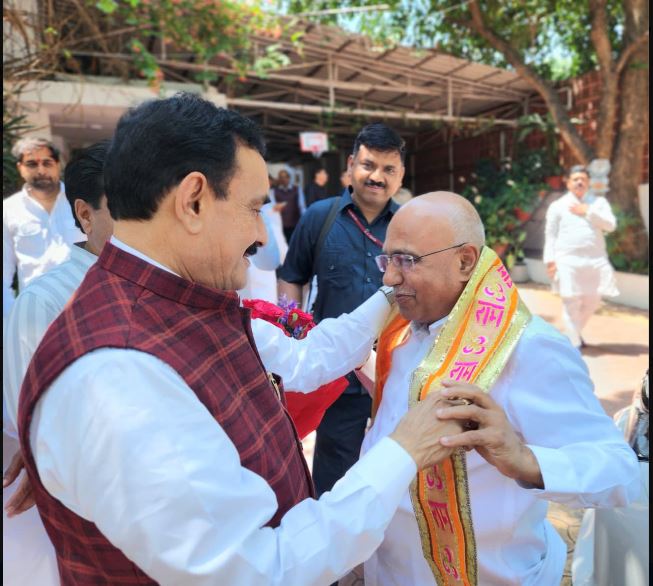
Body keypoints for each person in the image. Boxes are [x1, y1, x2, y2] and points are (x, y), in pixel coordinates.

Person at [16, 93, 470, 585]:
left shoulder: (189, 305)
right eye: (254, 209)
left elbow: (306, 360)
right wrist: (402, 451)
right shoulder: (118, 374)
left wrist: (390, 291)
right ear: (193, 201)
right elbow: (259, 570)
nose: (262, 236)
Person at [360, 191, 639, 586]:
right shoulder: (404, 329)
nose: (388, 277)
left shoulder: (529, 347)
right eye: (387, 259)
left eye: (407, 260)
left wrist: (525, 460)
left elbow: (620, 473)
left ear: (465, 261)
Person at [3, 140, 113, 586]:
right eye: (128, 209)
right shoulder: (43, 303)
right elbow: (27, 420)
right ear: (85, 214)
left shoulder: (160, 288)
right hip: (81, 509)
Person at [278, 122, 406, 497]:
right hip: (337, 376)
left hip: (396, 374)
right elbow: (292, 277)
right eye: (368, 165)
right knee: (334, 473)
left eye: (388, 169)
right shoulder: (320, 218)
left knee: (395, 467)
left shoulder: (410, 226)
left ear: (400, 175)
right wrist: (293, 330)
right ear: (350, 165)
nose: (377, 176)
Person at [3, 137, 85, 316]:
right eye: (32, 164)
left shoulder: (82, 201)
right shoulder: (8, 210)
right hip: (35, 314)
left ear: (58, 165)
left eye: (47, 163)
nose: (41, 170)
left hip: (86, 308)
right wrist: (10, 319)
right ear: (20, 168)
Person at [543, 165, 619, 348]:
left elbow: (611, 225)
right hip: (567, 260)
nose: (579, 182)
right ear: (568, 183)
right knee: (570, 301)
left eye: (583, 179)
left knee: (593, 300)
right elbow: (550, 234)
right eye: (575, 179)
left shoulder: (599, 203)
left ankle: (573, 333)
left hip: (596, 260)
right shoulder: (557, 206)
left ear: (588, 183)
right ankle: (573, 344)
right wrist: (550, 261)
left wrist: (588, 211)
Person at [270, 167, 303, 243]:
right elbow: (272, 208)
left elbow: (302, 207)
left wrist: (303, 221)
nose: (283, 179)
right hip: (280, 225)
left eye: (285, 177)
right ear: (279, 179)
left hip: (295, 224)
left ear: (289, 178)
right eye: (281, 177)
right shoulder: (273, 191)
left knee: (294, 244)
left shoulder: (297, 189)